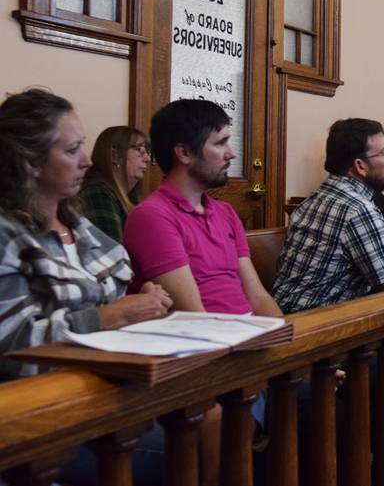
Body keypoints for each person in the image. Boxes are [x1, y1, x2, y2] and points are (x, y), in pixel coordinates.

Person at [0, 88, 175, 484]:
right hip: (45, 411)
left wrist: (143, 300)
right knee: (194, 436)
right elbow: (13, 345)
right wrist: (110, 316)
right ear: (30, 162)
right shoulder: (7, 233)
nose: (86, 161)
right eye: (72, 150)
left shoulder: (78, 223)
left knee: (210, 416)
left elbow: (116, 291)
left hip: (111, 391)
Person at [272, 118, 384, 313]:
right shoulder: (359, 209)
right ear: (360, 166)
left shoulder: (311, 201)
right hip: (315, 326)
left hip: (282, 317)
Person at [123, 99, 282, 317]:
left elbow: (258, 296)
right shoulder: (152, 217)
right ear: (185, 153)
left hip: (247, 332)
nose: (231, 153)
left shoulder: (225, 212)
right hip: (211, 340)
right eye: (220, 143)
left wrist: (286, 339)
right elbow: (193, 315)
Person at [79, 126, 150, 242]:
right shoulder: (97, 192)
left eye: (147, 151)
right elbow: (113, 254)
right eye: (139, 150)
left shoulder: (131, 198)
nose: (147, 158)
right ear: (115, 156)